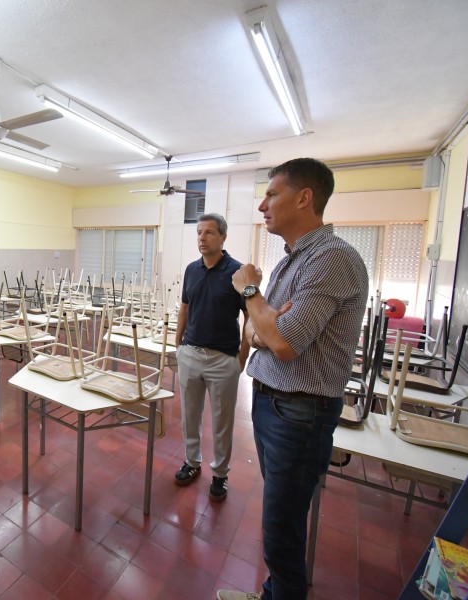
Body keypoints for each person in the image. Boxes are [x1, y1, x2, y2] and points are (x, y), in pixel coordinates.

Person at [218, 158, 368, 600]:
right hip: (272, 402)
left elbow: (281, 341)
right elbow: (256, 330)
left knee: (280, 529)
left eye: (271, 194)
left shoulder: (333, 259)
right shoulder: (290, 261)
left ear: (304, 198)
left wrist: (249, 292)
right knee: (279, 520)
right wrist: (264, 323)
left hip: (300, 410)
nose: (262, 205)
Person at [173, 213, 250, 502]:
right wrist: (178, 341)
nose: (202, 238)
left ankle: (220, 473)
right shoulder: (192, 270)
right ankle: (192, 462)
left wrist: (242, 356)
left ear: (223, 238)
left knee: (221, 421)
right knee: (189, 416)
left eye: (209, 233)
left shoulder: (238, 273)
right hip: (191, 353)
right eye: (199, 233)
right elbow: (184, 307)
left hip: (223, 359)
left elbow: (250, 317)